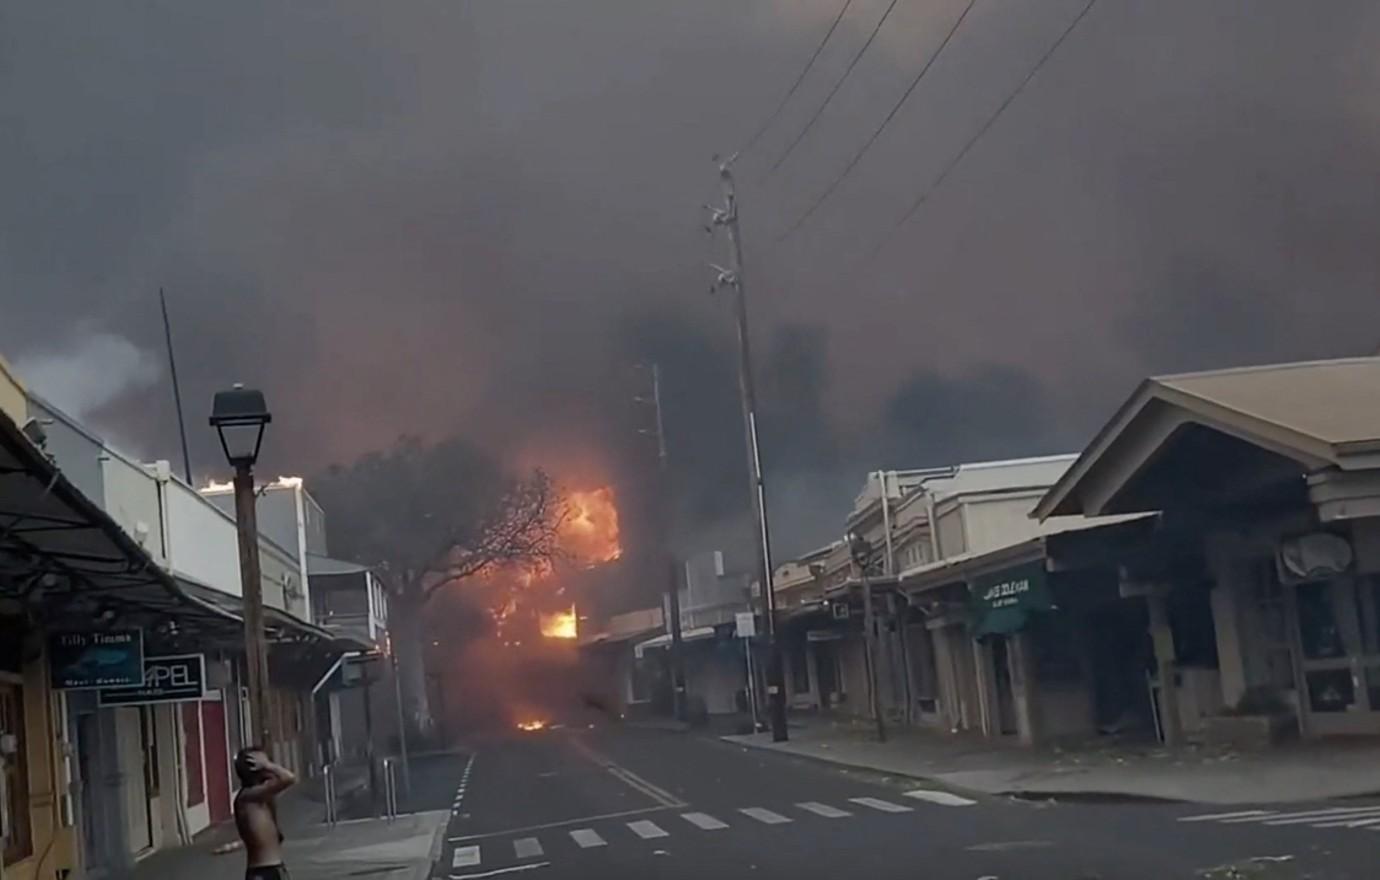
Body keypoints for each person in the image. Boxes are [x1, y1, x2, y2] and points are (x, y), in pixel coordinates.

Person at [233, 747, 297, 880]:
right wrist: (269, 766)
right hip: (262, 872)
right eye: (261, 763)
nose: (267, 765)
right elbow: (289, 778)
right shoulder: (248, 796)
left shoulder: (263, 798)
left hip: (275, 869)